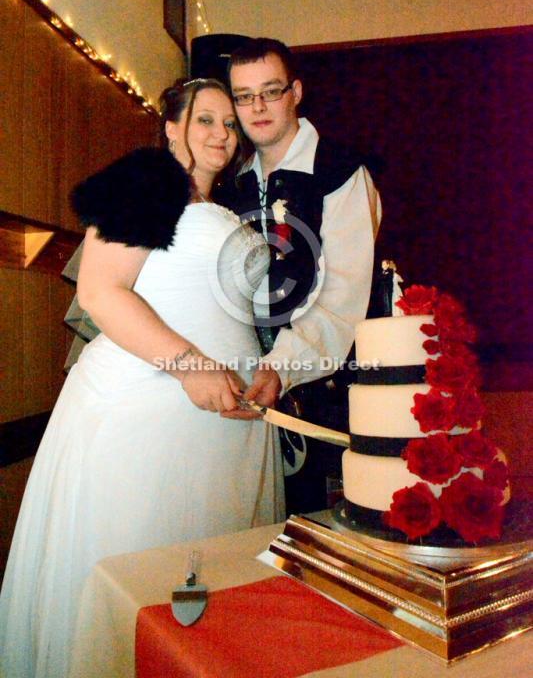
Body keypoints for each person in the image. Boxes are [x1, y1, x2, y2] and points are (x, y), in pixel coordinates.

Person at [0, 78, 284, 678]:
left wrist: (264, 369)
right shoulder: (145, 182)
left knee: (214, 581)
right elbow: (101, 291)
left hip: (227, 419)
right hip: (148, 410)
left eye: (230, 124)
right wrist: (191, 366)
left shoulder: (224, 207)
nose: (222, 134)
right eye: (205, 119)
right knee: (145, 573)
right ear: (171, 127)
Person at [220, 38, 382, 514]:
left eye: (270, 91)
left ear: (295, 92)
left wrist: (282, 366)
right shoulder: (231, 181)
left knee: (321, 524)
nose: (258, 107)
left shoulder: (340, 172)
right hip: (245, 386)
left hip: (327, 385)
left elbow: (344, 294)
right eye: (244, 96)